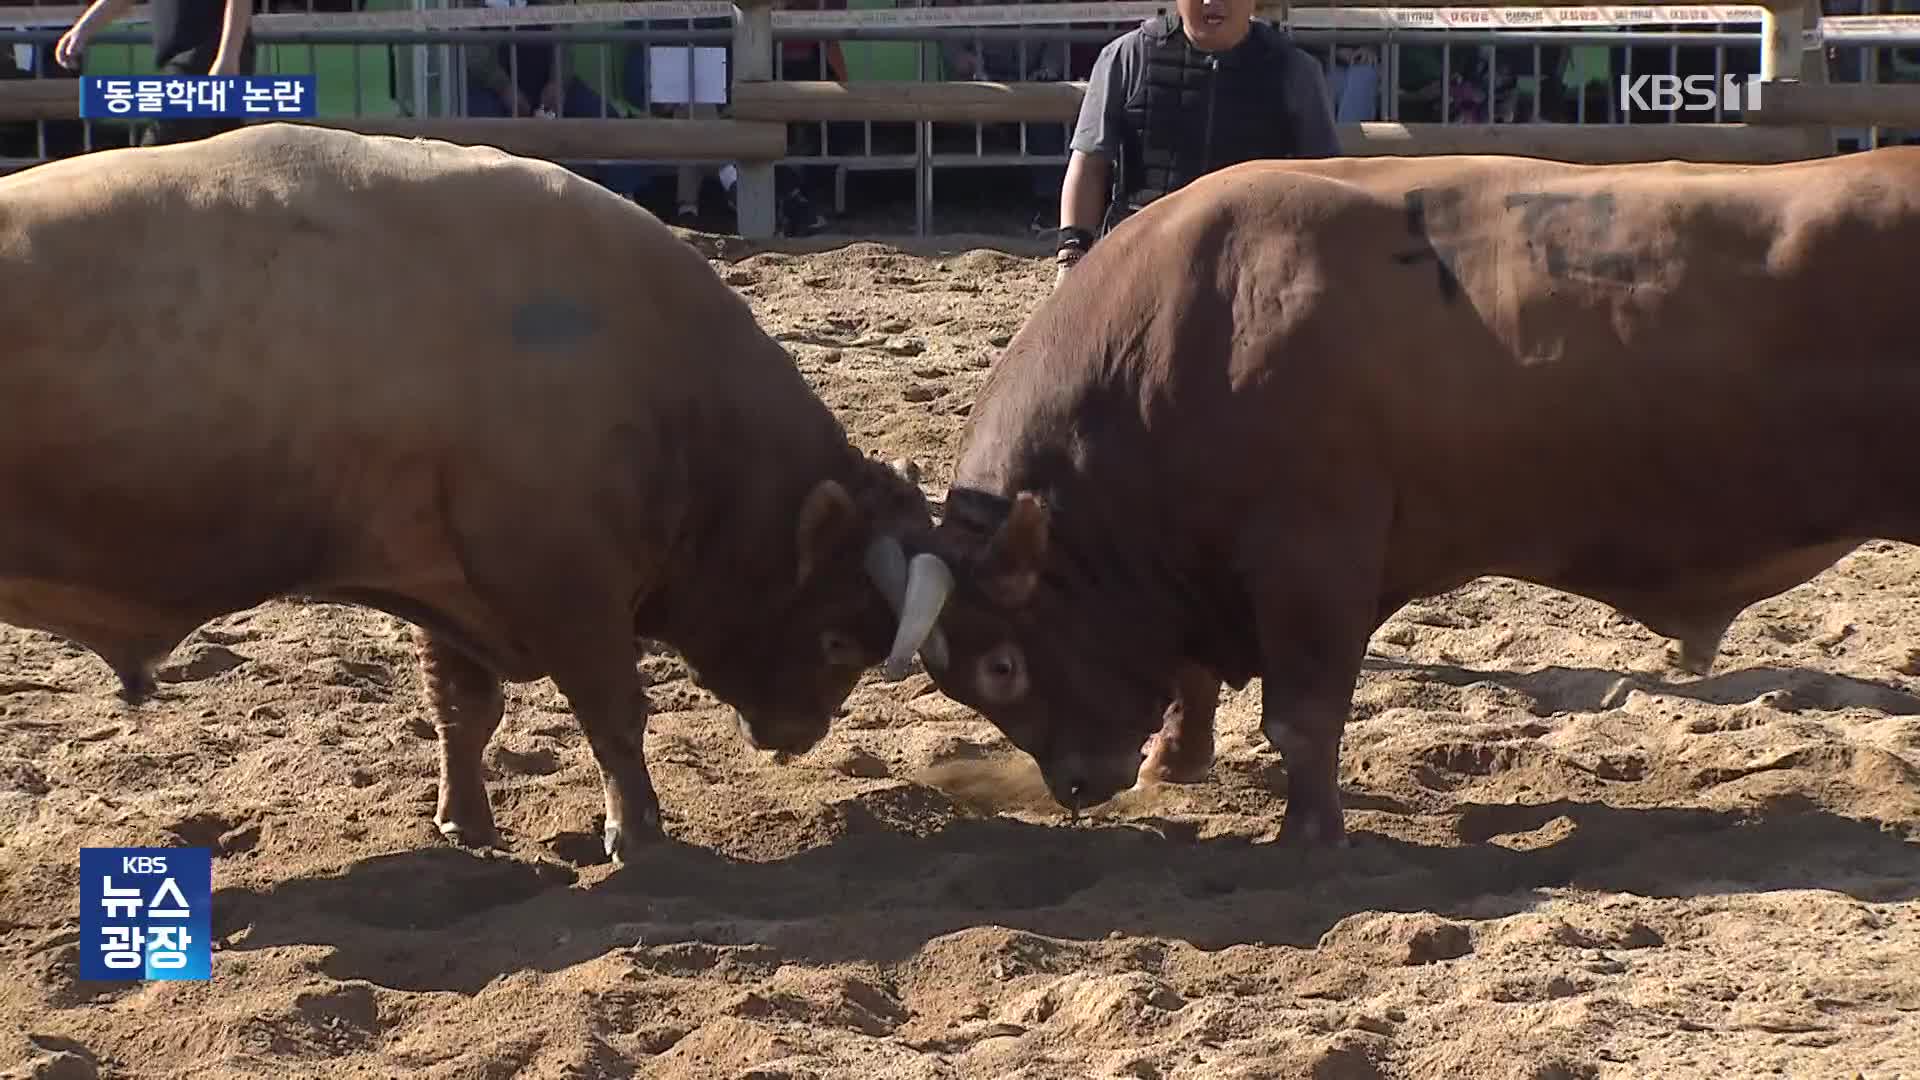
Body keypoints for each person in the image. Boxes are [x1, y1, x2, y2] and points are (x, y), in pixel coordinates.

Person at [1051, 0, 1340, 285]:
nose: (1211, 2)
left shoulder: (1294, 71)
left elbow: (1325, 182)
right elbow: (1089, 164)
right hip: (1142, 260)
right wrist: (1072, 255)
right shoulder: (1127, 57)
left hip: (1251, 267)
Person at [55, 0, 255, 146]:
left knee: (159, 149)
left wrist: (228, 57)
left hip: (206, 58)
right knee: (218, 152)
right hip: (187, 60)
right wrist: (82, 30)